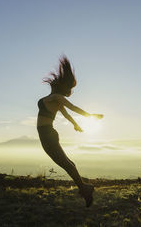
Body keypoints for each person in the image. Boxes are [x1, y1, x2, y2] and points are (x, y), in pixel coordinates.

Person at [36, 55, 104, 207]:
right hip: (47, 133)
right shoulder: (54, 98)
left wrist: (90, 116)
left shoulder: (56, 97)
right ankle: (84, 188)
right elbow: (66, 114)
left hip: (48, 134)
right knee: (67, 162)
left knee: (65, 163)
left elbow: (73, 108)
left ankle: (85, 188)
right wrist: (75, 125)